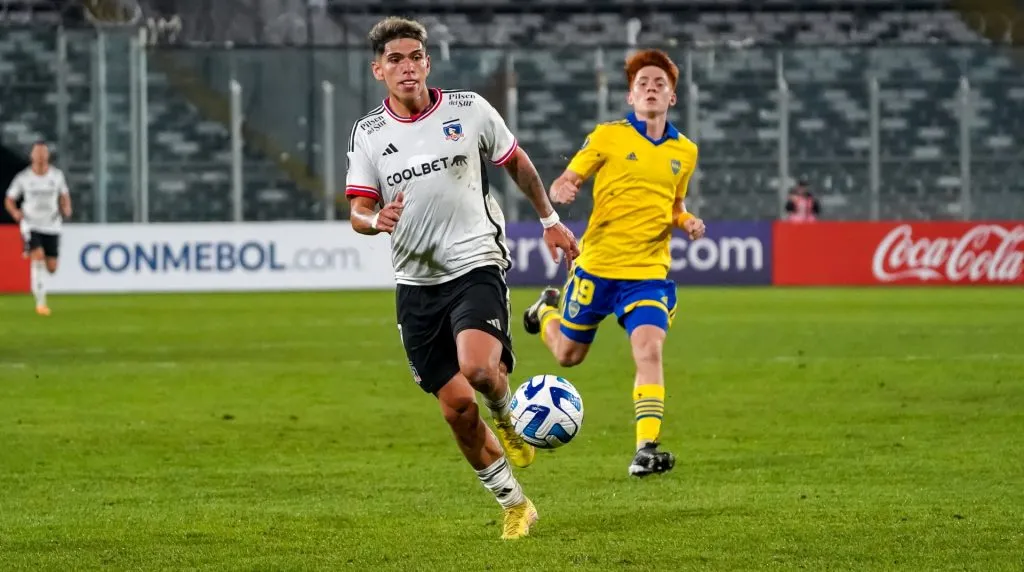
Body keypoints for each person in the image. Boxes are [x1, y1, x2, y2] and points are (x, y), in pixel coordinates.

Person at [344, 17, 579, 540]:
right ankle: (516, 504)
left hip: (476, 263)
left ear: (428, 62)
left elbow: (517, 162)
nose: (407, 67)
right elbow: (357, 210)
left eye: (415, 57)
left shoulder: (468, 109)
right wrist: (374, 220)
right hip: (415, 283)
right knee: (456, 411)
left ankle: (508, 416)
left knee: (477, 369)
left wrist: (549, 220)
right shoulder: (369, 134)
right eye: (395, 60)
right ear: (379, 70)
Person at [522, 49, 705, 478]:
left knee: (649, 348)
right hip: (597, 267)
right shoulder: (607, 136)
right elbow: (568, 177)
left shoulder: (685, 151)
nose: (651, 88)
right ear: (630, 96)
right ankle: (544, 310)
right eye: (643, 84)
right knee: (568, 356)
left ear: (672, 97)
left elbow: (675, 204)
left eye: (660, 83)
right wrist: (563, 188)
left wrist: (687, 221)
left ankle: (645, 448)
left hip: (647, 273)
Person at [4, 141, 72, 316]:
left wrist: (66, 207)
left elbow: (64, 195)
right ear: (32, 156)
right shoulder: (23, 178)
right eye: (37, 153)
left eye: (43, 153)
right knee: (38, 258)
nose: (40, 156)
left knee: (52, 267)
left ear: (47, 156)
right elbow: (9, 199)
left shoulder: (57, 176)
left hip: (52, 224)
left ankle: (31, 250)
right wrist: (15, 212)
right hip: (31, 224)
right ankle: (41, 304)